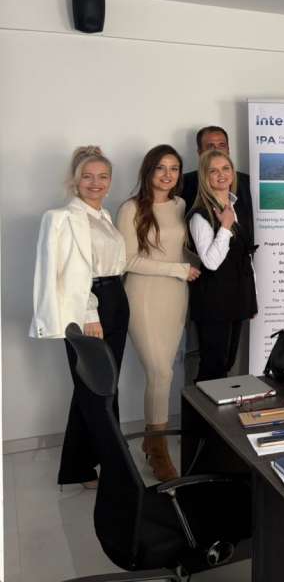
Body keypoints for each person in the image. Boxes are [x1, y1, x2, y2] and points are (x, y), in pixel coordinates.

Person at [31, 146, 128, 487]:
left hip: (116, 299)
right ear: (75, 180)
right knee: (95, 389)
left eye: (103, 177)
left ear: (110, 181)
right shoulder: (60, 217)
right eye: (87, 176)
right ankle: (112, 467)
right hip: (89, 306)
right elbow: (64, 273)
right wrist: (89, 312)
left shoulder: (105, 217)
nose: (95, 183)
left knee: (103, 388)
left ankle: (79, 467)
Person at [115, 145, 200, 481]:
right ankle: (160, 451)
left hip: (176, 297)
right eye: (161, 168)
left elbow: (181, 251)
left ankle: (151, 442)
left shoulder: (180, 205)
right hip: (143, 296)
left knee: (164, 373)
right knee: (160, 372)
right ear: (148, 171)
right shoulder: (130, 208)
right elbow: (127, 261)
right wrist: (177, 270)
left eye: (174, 168)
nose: (168, 175)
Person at [187, 149, 258, 381]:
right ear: (205, 177)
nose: (221, 175)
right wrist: (225, 227)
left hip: (236, 297)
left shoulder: (234, 206)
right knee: (213, 367)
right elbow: (211, 262)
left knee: (226, 363)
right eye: (213, 171)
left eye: (226, 168)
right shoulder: (200, 215)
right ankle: (200, 407)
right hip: (214, 301)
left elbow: (244, 257)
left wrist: (251, 299)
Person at [180, 125, 253, 241]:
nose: (216, 150)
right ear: (199, 152)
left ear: (228, 149)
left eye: (222, 145)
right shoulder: (183, 183)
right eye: (210, 146)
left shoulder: (248, 182)